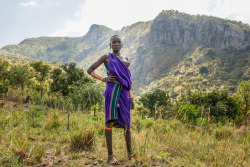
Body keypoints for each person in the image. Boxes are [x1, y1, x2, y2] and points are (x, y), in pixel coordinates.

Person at [87, 35, 134, 165]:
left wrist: (131, 97)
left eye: (119, 42)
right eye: (114, 42)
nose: (117, 44)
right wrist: (103, 79)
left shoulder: (126, 59)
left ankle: (130, 156)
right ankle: (110, 157)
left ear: (122, 44)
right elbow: (89, 70)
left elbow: (128, 81)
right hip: (112, 91)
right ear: (110, 45)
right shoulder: (106, 57)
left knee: (127, 123)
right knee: (110, 121)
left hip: (124, 92)